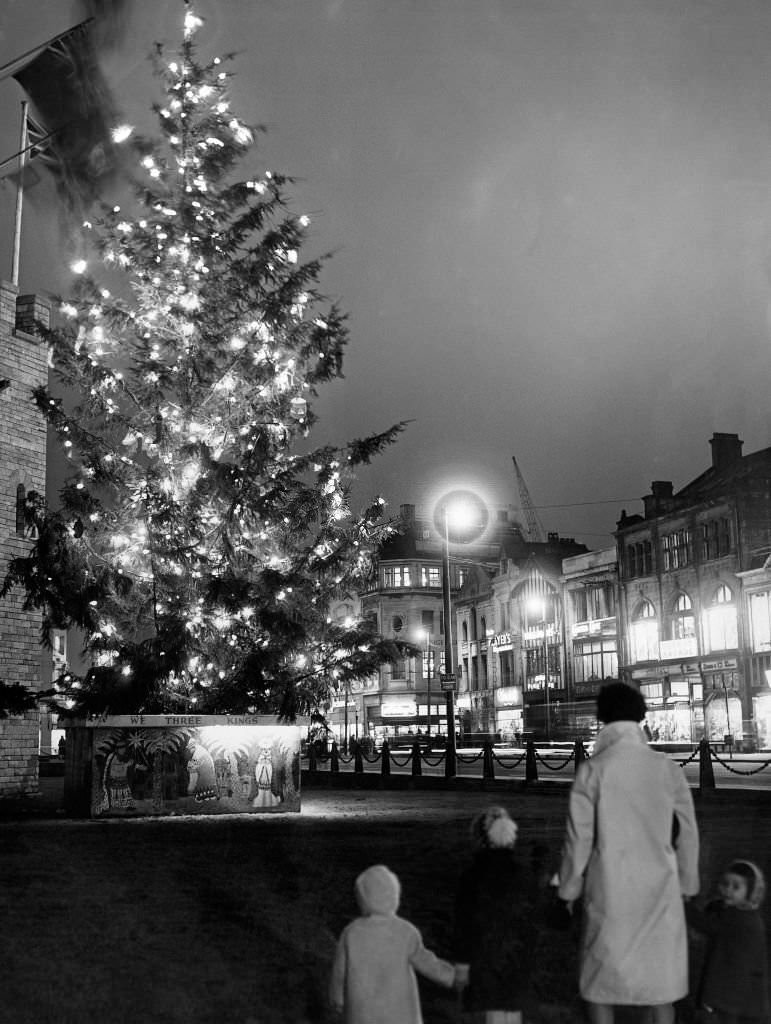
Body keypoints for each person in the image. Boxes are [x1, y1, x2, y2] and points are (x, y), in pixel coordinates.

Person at [558, 681, 700, 1024]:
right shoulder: (666, 768)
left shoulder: (593, 770)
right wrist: (687, 882)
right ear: (641, 716)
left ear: (602, 716)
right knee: (660, 987)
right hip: (660, 888)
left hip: (609, 887)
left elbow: (578, 840)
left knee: (600, 984)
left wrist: (567, 889)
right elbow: (688, 831)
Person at [329, 863, 461, 1024]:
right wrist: (453, 976)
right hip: (399, 1013)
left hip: (363, 1013)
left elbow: (339, 972)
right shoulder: (406, 931)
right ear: (395, 894)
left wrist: (337, 999)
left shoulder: (351, 933)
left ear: (362, 897)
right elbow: (427, 962)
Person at [453, 806, 537, 1024]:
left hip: (482, 961)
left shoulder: (472, 877)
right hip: (515, 961)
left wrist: (461, 965)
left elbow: (463, 923)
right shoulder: (525, 876)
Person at [686, 859, 770, 1023]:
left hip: (731, 990)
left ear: (751, 891)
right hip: (743, 989)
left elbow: (707, 925)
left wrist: (684, 905)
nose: (728, 890)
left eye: (736, 887)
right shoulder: (746, 914)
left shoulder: (738, 918)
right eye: (725, 884)